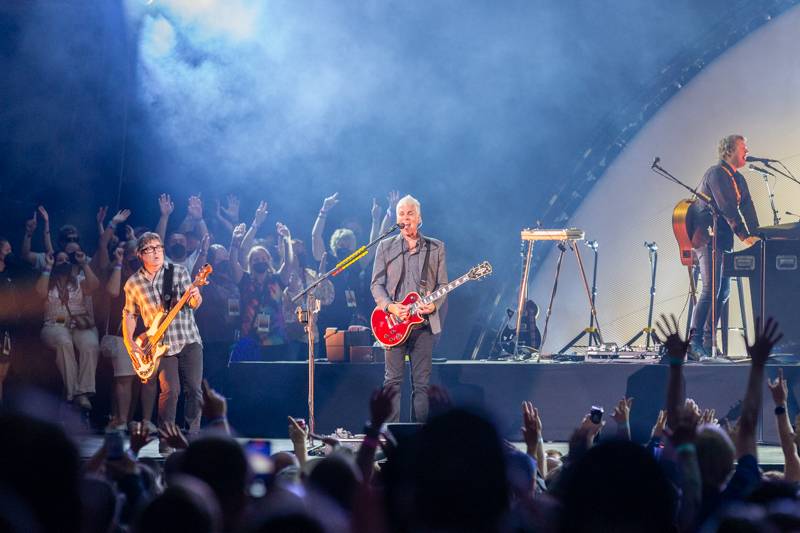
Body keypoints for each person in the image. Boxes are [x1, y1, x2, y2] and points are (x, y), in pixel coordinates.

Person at [122, 232, 204, 452]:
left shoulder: (178, 272)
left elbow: (194, 302)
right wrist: (130, 342)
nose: (156, 252)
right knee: (170, 391)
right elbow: (130, 314)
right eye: (150, 249)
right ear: (140, 254)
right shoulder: (133, 283)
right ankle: (166, 441)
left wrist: (196, 296)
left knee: (194, 390)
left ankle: (192, 439)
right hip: (161, 347)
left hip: (188, 339)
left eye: (158, 247)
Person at [371, 195, 447, 422]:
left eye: (410, 213)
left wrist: (434, 304)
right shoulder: (386, 246)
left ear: (419, 217)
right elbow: (376, 284)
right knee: (392, 382)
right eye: (401, 214)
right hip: (393, 324)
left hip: (423, 326)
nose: (406, 218)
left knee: (421, 385)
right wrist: (390, 307)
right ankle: (391, 438)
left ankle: (419, 439)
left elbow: (443, 285)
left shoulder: (436, 247)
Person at [689, 134, 759, 359]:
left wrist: (757, 236)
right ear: (730, 151)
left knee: (723, 291)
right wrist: (744, 236)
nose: (747, 151)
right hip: (708, 239)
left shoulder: (738, 179)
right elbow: (728, 208)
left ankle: (710, 343)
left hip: (723, 242)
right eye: (743, 147)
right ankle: (694, 342)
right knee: (711, 289)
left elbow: (747, 207)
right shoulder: (716, 173)